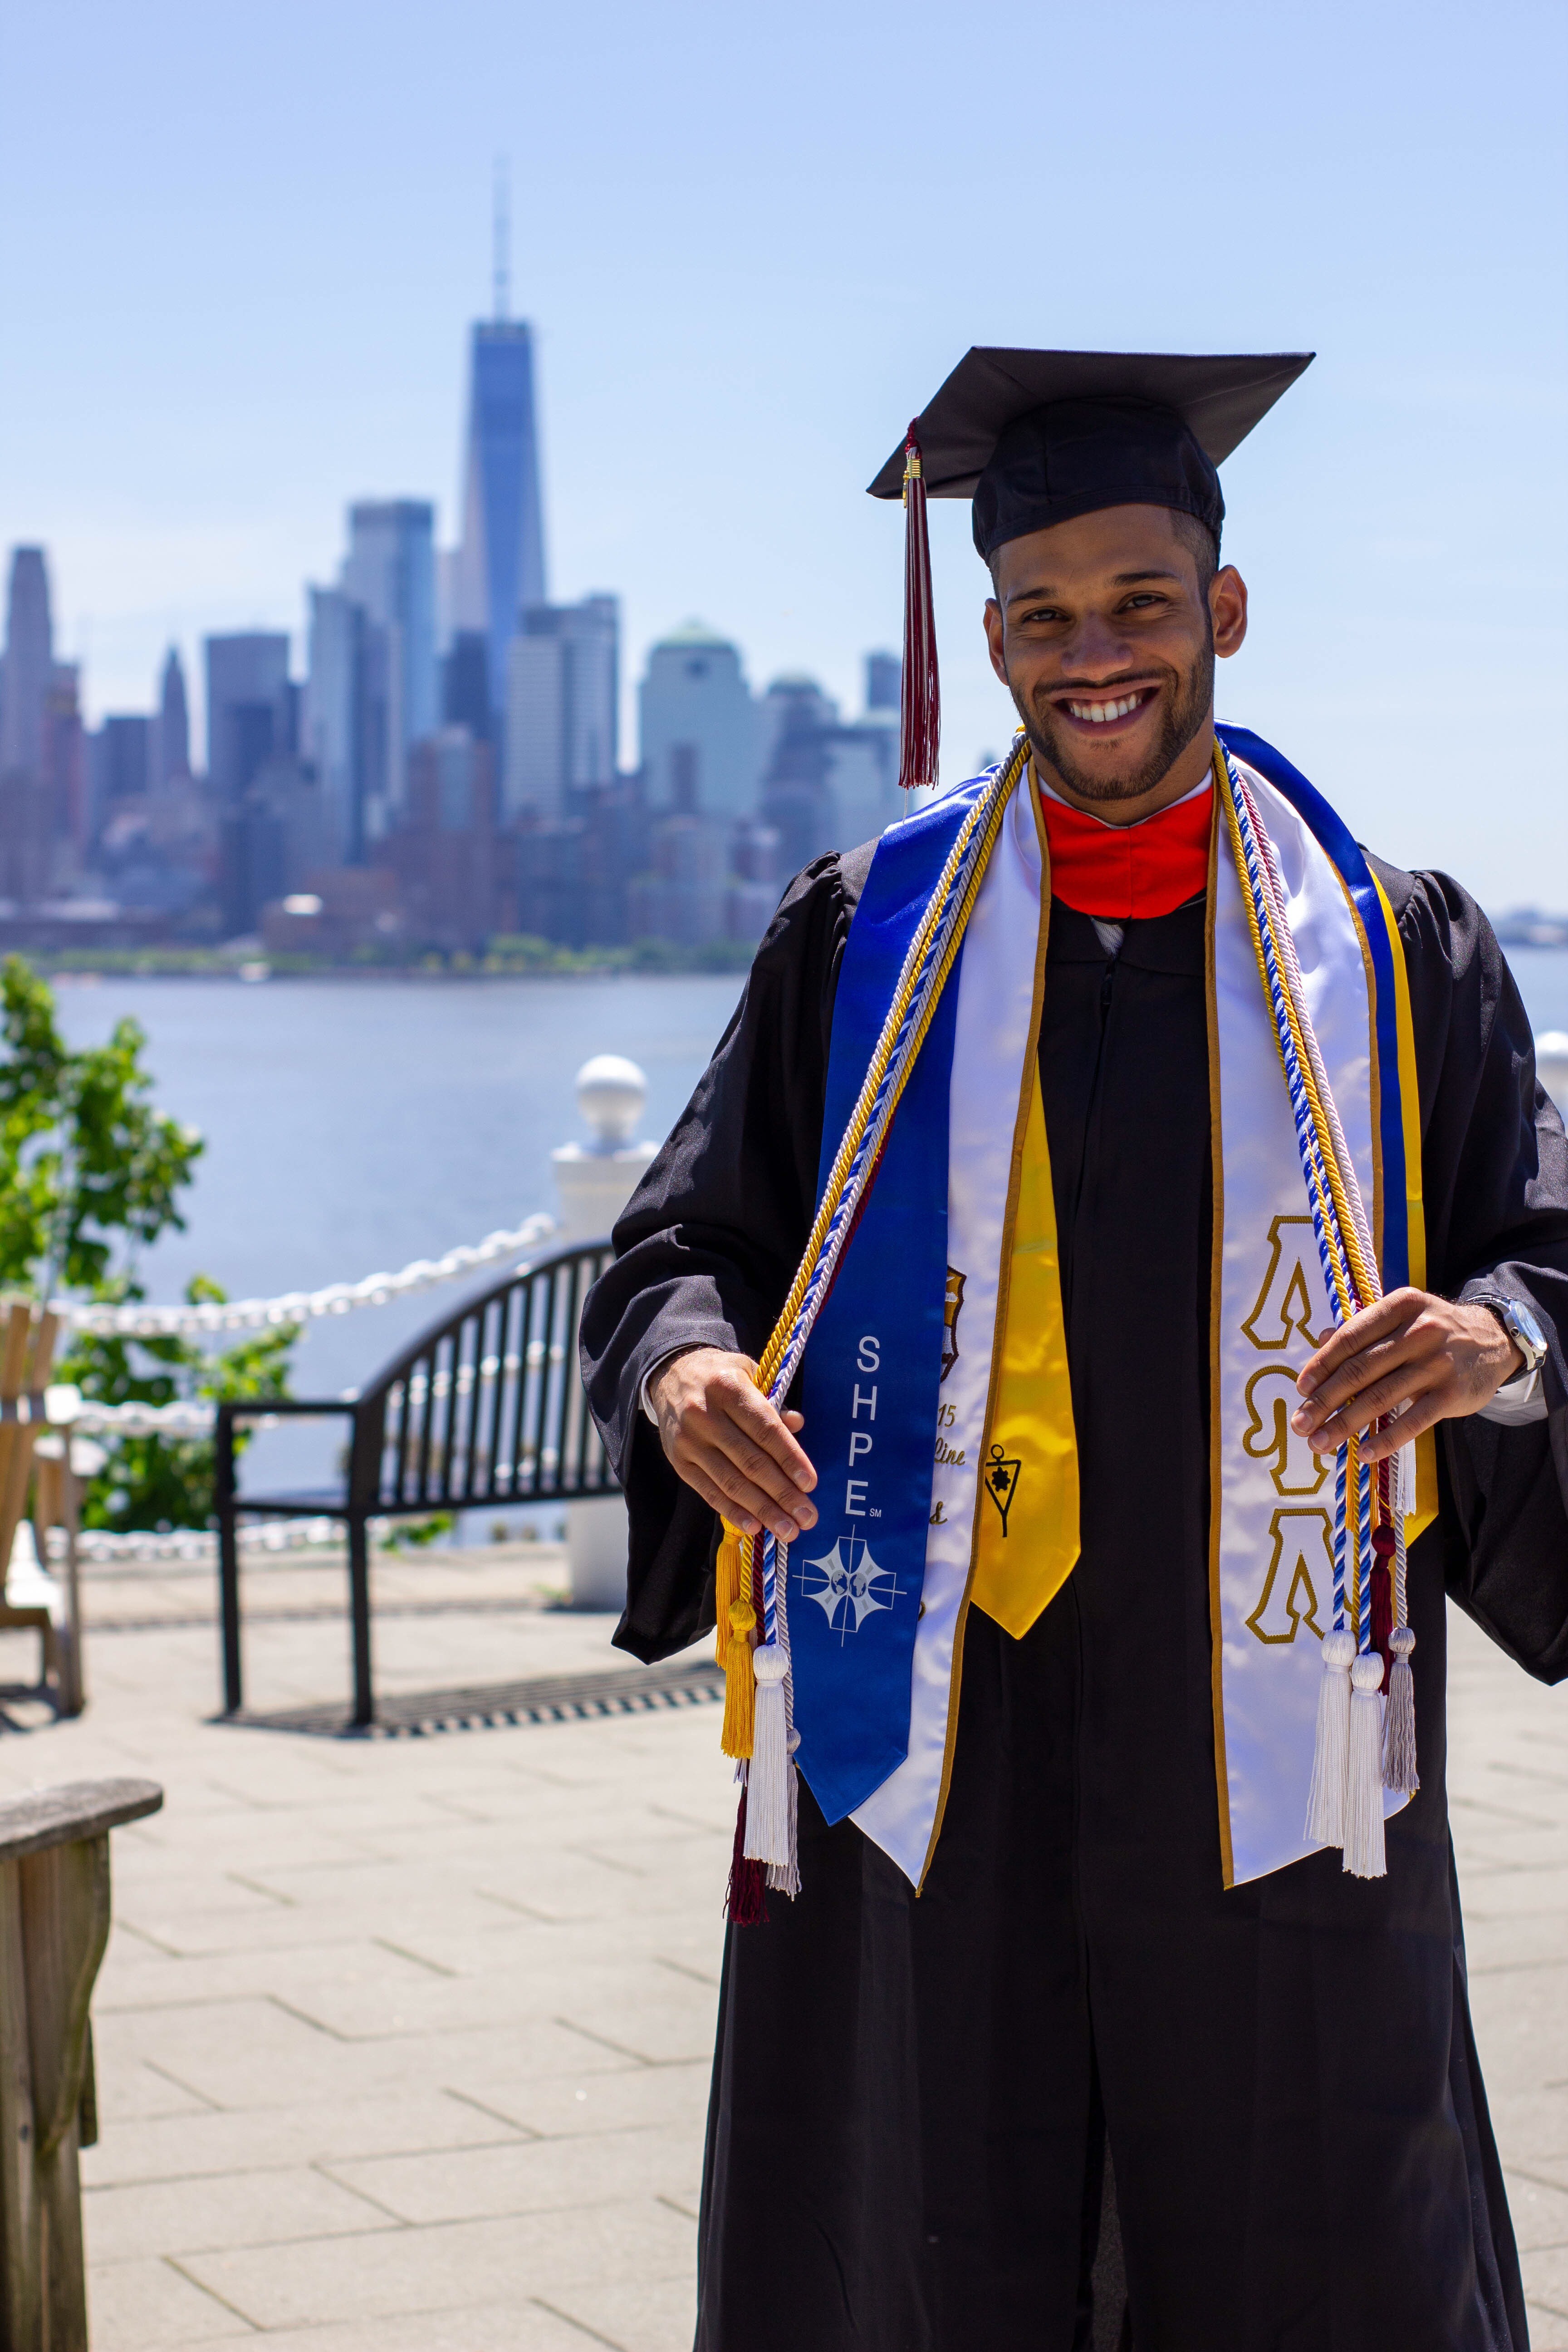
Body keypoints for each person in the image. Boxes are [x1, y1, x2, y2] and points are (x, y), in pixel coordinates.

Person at [581, 348, 1568, 2352]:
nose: (1088, 654)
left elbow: (1550, 1265)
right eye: (1041, 613)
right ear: (996, 636)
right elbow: (685, 1241)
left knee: (1304, 2229)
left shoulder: (1391, 953)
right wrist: (686, 1371)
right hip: (943, 1741)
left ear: (1221, 608)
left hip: (1271, 1774)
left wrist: (1494, 1347)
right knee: (928, 2226)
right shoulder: (869, 937)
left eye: (1136, 604)